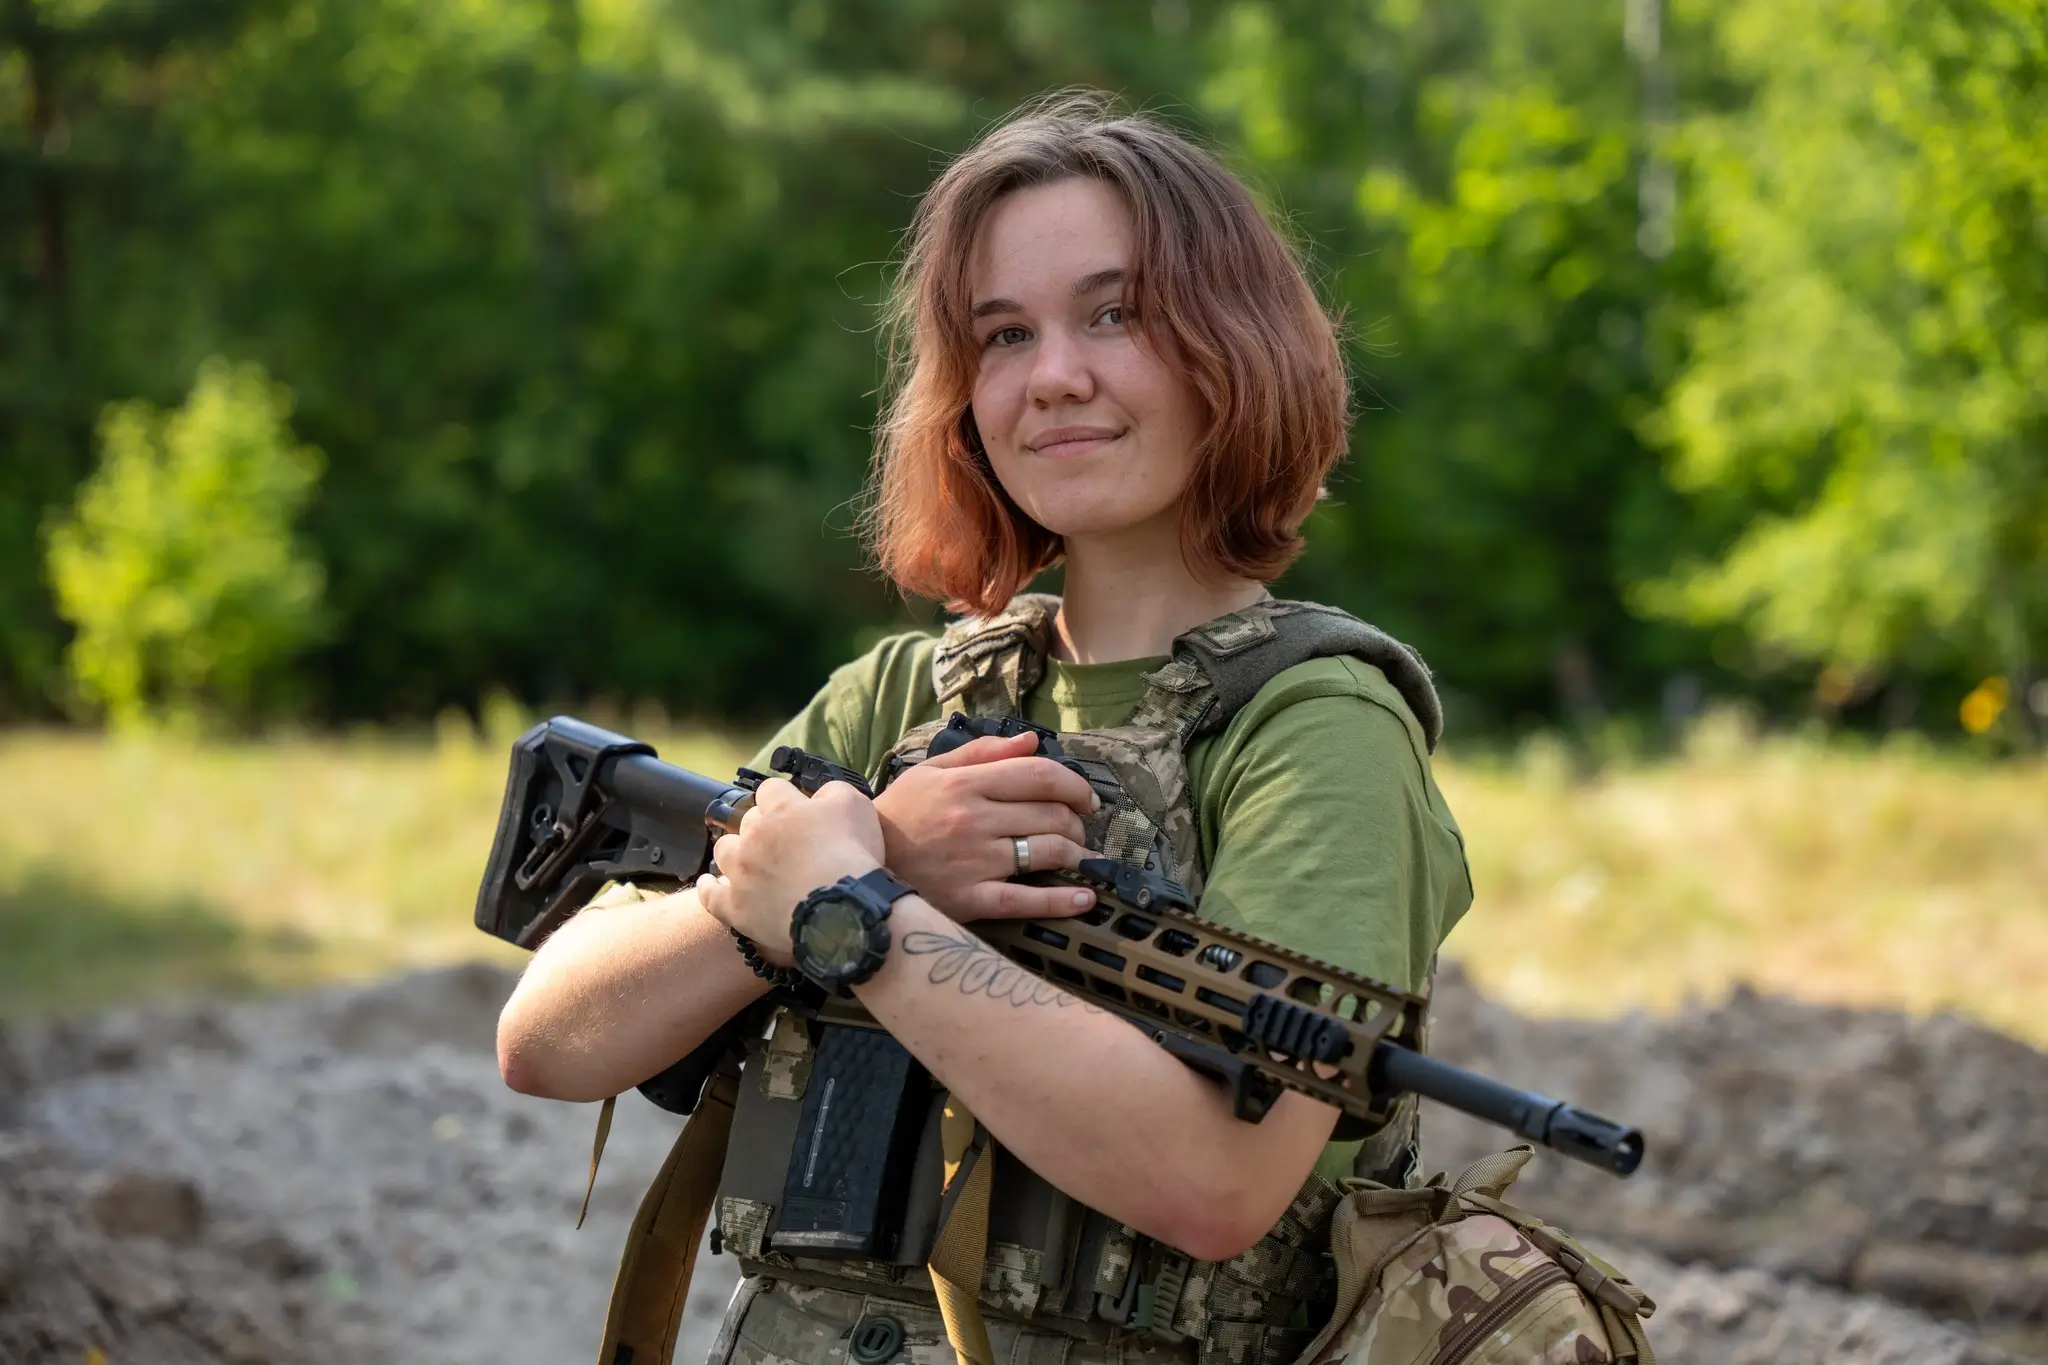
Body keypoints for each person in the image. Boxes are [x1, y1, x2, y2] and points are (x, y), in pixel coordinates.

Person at [495, 91, 1472, 1365]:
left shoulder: (1315, 730)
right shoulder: (900, 699)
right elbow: (548, 1037)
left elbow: (1212, 1186)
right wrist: (826, 883)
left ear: (1234, 349)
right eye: (1001, 335)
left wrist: (858, 916)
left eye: (1115, 315)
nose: (1053, 375)